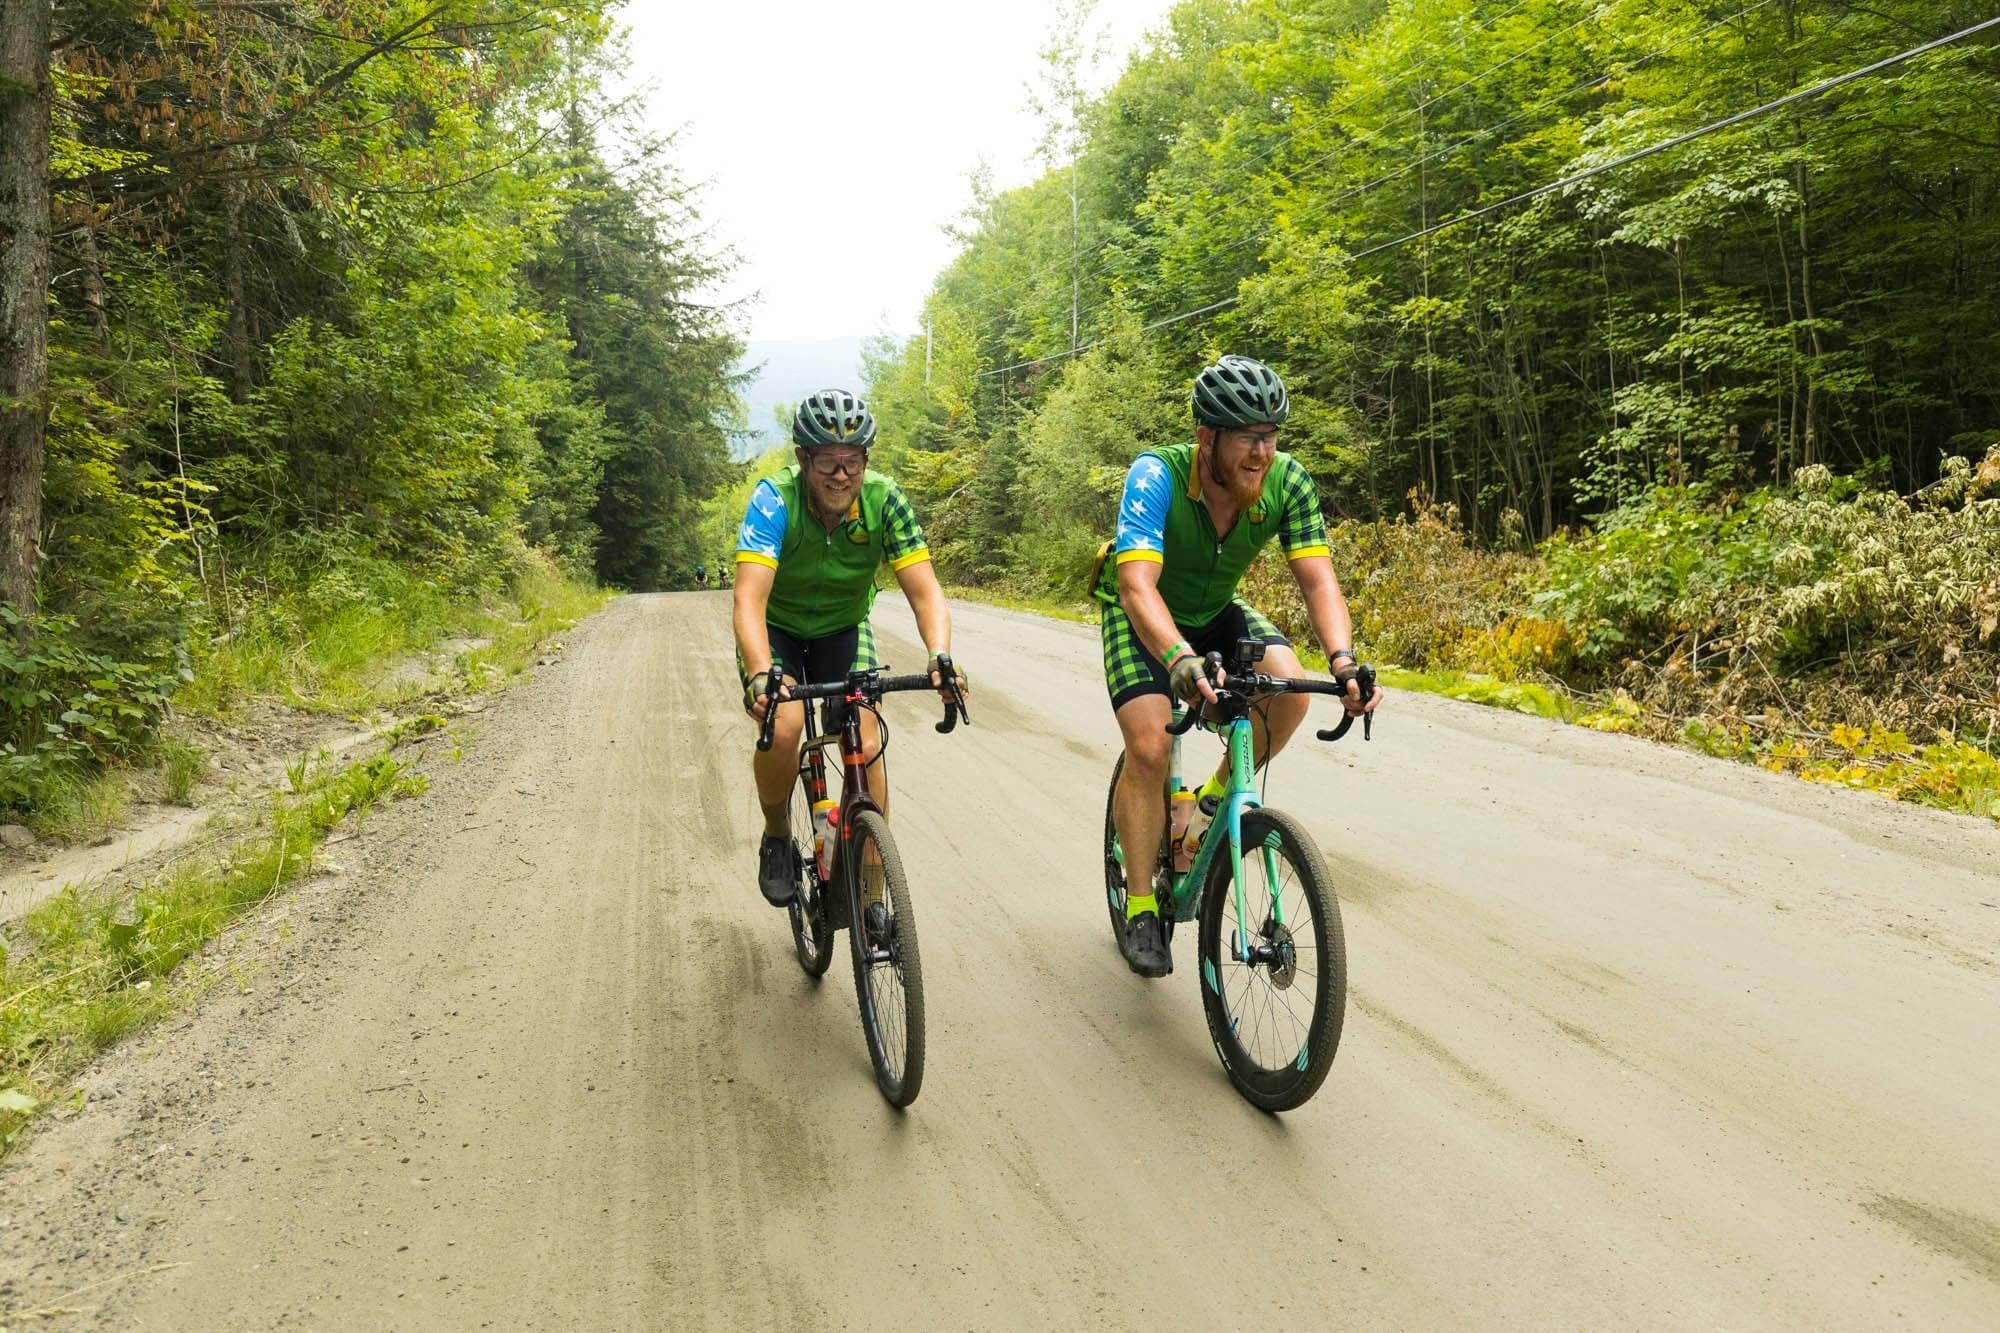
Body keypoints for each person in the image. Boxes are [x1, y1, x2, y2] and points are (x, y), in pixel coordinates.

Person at [1096, 355, 1382, 977]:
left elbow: (1318, 579)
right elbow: (1137, 587)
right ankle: (1142, 905)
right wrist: (1177, 659)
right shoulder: (1156, 475)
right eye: (1248, 438)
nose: (1262, 452)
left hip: (1216, 609)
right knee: (1149, 745)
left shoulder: (1287, 481)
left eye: (1271, 436)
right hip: (1145, 614)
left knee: (1290, 689)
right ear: (1207, 438)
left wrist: (1343, 660)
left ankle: (1205, 809)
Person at [733, 388, 962, 907]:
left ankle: (873, 896)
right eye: (829, 463)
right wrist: (761, 673)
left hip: (842, 627)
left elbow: (924, 590)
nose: (842, 475)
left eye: (853, 461)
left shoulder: (885, 500)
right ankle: (775, 837)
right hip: (777, 630)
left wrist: (940, 655)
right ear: (803, 459)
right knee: (785, 726)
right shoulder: (775, 499)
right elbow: (748, 600)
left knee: (863, 732)